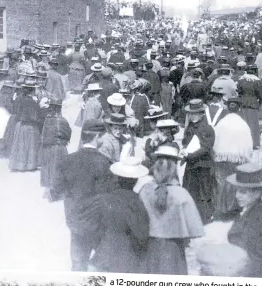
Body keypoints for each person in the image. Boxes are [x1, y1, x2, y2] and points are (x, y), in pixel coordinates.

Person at [50, 119, 114, 271]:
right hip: (98, 224)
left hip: (75, 221)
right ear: (97, 136)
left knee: (78, 264)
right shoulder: (105, 163)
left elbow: (56, 191)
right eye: (103, 136)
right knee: (101, 266)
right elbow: (109, 195)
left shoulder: (67, 160)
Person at [139, 145, 204, 275]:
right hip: (173, 250)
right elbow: (195, 230)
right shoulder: (182, 194)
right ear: (174, 168)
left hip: (149, 248)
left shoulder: (145, 190)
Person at [88, 158, 150, 273]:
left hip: (102, 256)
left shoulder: (105, 199)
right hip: (126, 259)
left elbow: (95, 230)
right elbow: (142, 236)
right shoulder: (137, 203)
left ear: (118, 178)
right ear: (135, 181)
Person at [226, 163, 262, 277]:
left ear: (257, 193)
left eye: (243, 192)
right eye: (237, 191)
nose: (237, 196)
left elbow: (260, 260)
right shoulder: (246, 212)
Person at [212, 95, 253, 218]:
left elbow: (215, 141)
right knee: (235, 185)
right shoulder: (243, 125)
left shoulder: (222, 123)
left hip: (221, 160)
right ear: (239, 108)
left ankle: (221, 210)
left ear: (227, 108)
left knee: (221, 184)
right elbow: (248, 146)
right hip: (238, 161)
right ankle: (234, 210)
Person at [181, 99, 216, 224]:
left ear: (202, 114)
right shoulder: (190, 127)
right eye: (191, 113)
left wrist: (190, 155)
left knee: (204, 191)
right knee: (190, 189)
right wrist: (184, 149)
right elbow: (185, 141)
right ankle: (191, 216)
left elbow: (206, 148)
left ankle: (205, 217)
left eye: (195, 113)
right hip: (191, 164)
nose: (192, 116)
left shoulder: (207, 128)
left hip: (203, 165)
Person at [9, 77, 42, 172]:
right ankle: (29, 165)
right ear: (32, 90)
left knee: (20, 145)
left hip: (19, 125)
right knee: (31, 144)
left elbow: (15, 110)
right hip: (29, 126)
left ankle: (18, 165)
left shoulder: (19, 99)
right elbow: (36, 116)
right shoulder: (32, 102)